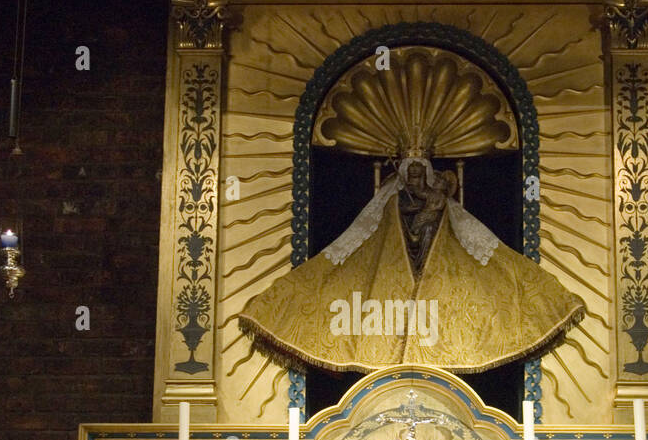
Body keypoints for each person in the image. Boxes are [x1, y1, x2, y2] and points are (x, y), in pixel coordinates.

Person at [239, 157, 585, 374]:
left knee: (497, 279)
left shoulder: (437, 199)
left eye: (422, 173)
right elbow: (352, 241)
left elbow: (474, 237)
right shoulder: (391, 202)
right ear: (406, 174)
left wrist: (433, 208)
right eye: (412, 173)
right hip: (395, 260)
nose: (417, 179)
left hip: (434, 253)